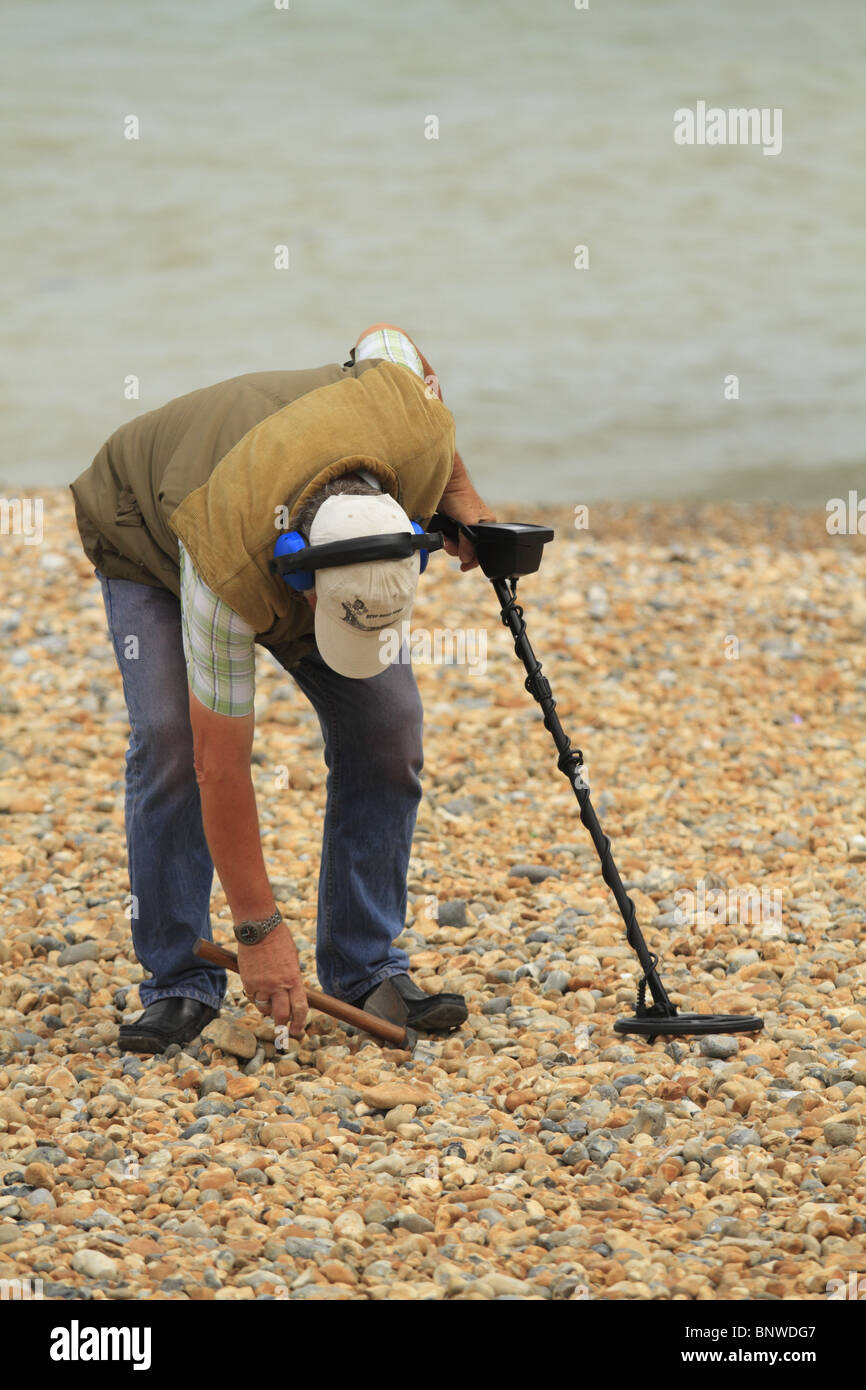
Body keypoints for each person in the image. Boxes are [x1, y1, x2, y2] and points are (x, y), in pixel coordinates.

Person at [69, 324, 496, 1054]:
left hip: (286, 497)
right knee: (173, 741)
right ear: (301, 584)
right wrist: (260, 930)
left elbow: (386, 338)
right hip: (150, 519)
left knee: (390, 727)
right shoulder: (224, 566)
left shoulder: (416, 430)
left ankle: (365, 966)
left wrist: (458, 490)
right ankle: (177, 980)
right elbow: (220, 764)